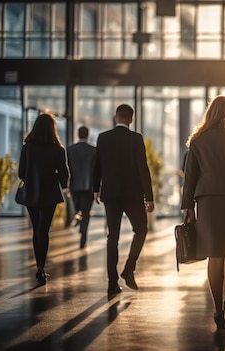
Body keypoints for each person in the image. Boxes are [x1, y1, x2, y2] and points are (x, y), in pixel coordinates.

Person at [181, 96, 225, 330]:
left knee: (214, 254)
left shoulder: (198, 139)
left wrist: (187, 206)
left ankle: (218, 309)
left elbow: (190, 176)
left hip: (208, 201)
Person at [93, 104, 155, 296]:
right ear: (131, 119)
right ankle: (128, 269)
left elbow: (97, 166)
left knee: (113, 237)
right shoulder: (136, 139)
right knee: (141, 229)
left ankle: (112, 283)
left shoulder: (103, 138)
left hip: (110, 194)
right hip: (133, 195)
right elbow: (142, 169)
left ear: (115, 117)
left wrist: (96, 189)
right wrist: (149, 197)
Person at [18, 113, 71, 285]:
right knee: (44, 230)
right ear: (52, 128)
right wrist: (62, 183)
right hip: (49, 194)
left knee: (36, 230)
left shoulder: (27, 147)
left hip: (31, 192)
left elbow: (20, 173)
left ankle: (38, 266)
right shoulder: (58, 149)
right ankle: (41, 267)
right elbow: (64, 175)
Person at [67, 126, 96, 249]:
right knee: (86, 212)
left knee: (78, 209)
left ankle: (79, 220)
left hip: (74, 186)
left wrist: (66, 186)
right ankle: (83, 235)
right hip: (89, 186)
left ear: (78, 134)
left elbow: (66, 169)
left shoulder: (70, 150)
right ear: (87, 135)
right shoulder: (94, 150)